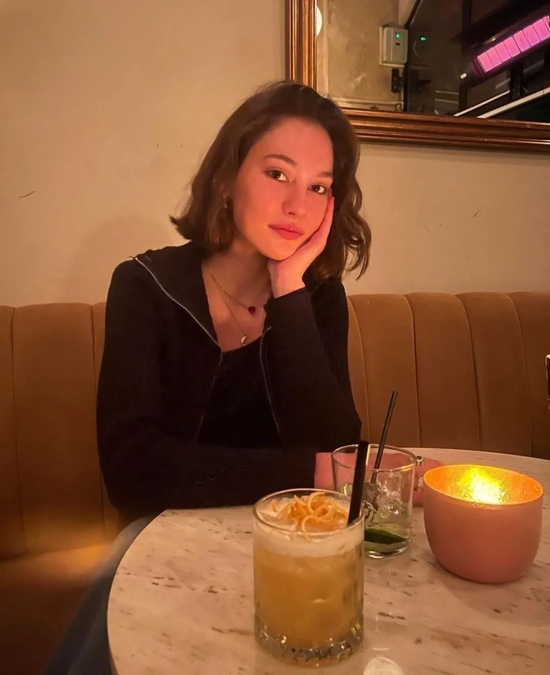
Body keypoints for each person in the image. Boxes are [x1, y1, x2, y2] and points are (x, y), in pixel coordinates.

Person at [44, 80, 371, 675]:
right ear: (227, 178)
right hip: (162, 538)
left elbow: (336, 448)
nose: (298, 205)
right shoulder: (144, 286)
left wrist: (289, 290)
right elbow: (133, 471)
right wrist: (308, 470)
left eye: (319, 187)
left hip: (292, 541)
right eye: (278, 173)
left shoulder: (318, 298)